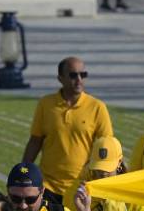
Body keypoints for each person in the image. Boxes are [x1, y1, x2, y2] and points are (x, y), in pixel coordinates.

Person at [22, 56, 115, 198]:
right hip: (48, 186)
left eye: (83, 74)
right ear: (60, 78)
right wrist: (23, 172)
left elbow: (107, 146)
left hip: (82, 187)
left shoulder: (97, 107)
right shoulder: (45, 104)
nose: (79, 79)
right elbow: (35, 141)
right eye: (73, 75)